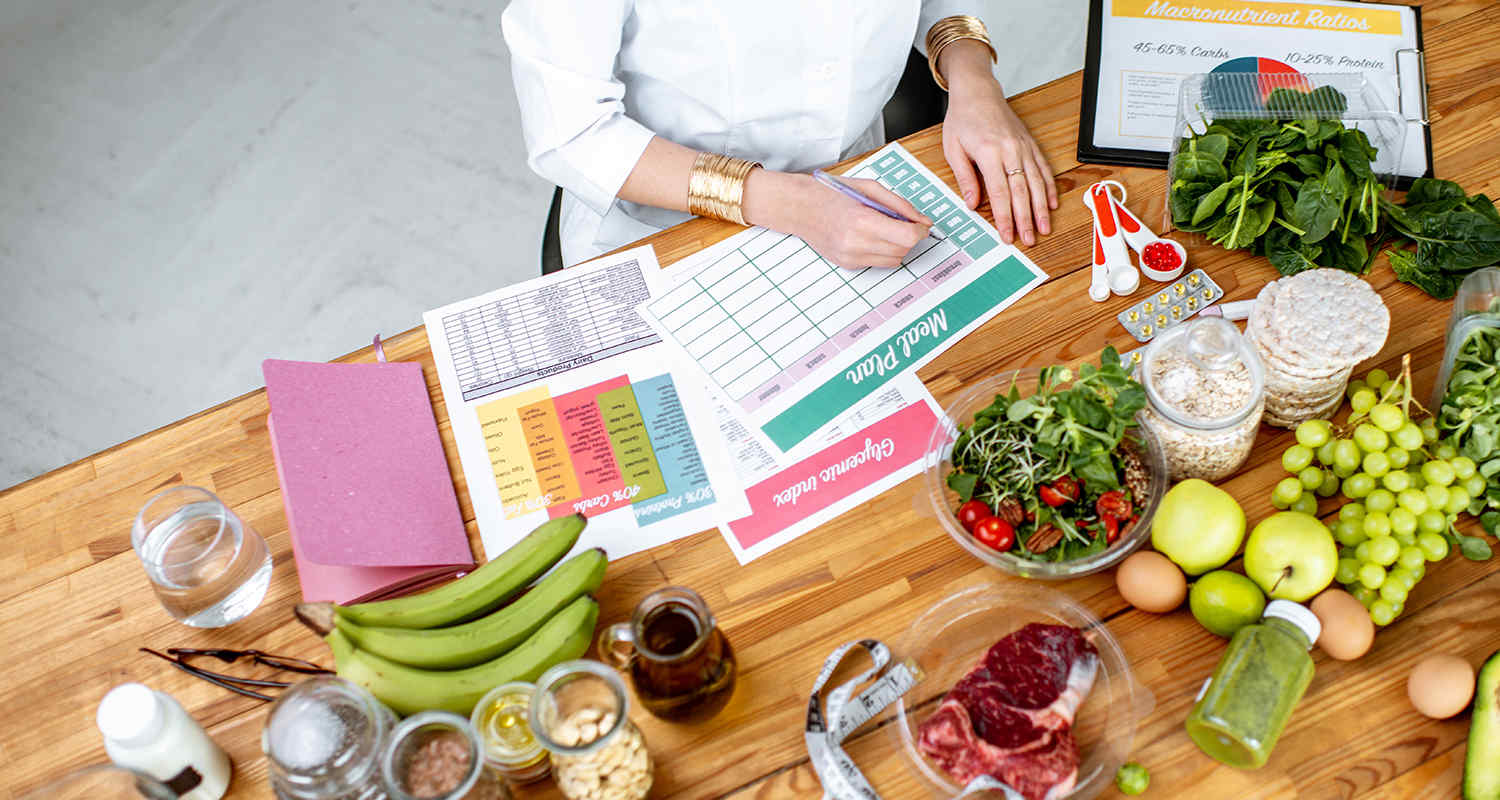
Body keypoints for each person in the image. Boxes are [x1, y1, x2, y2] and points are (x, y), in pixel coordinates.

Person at [502, 3, 1058, 270]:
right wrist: (795, 205)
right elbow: (571, 129)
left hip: (855, 184)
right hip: (666, 227)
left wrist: (972, 77)